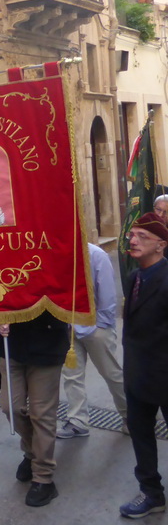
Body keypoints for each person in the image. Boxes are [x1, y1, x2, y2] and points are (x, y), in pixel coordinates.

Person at [119, 213, 168, 518]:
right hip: (137, 375)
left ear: (161, 245)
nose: (133, 241)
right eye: (131, 235)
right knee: (141, 434)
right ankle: (151, 492)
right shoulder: (133, 277)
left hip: (165, 376)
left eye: (142, 237)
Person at [0, 311, 69, 508]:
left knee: (42, 414)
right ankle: (32, 452)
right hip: (11, 343)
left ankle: (43, 477)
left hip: (47, 343)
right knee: (9, 407)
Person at [56, 242, 128, 439]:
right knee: (72, 376)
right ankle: (77, 420)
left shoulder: (96, 255)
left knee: (112, 374)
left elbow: (107, 296)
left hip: (96, 327)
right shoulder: (56, 253)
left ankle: (130, 417)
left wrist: (99, 326)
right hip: (69, 326)